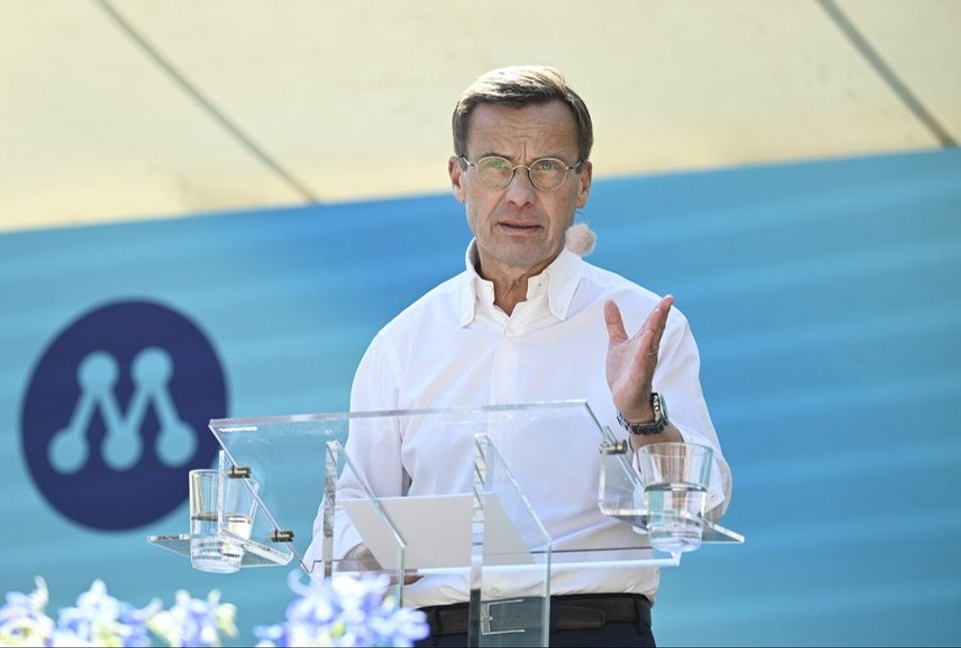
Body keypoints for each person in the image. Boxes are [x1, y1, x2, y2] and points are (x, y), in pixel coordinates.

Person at [310, 65, 731, 647]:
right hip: (439, 632)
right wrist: (359, 561)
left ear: (582, 184)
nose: (519, 193)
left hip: (591, 629)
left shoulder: (642, 326)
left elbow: (700, 507)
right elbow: (352, 507)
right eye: (496, 166)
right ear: (459, 178)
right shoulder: (402, 343)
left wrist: (642, 416)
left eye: (547, 169)